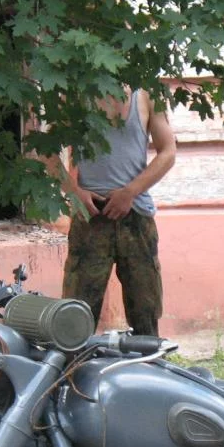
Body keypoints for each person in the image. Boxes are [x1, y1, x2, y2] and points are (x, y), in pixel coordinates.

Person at [62, 87, 176, 336]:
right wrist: (74, 191)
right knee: (76, 315)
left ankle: (147, 360)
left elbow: (168, 151)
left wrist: (130, 192)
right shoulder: (76, 90)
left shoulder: (147, 93)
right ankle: (75, 362)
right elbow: (45, 150)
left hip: (135, 214)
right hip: (91, 214)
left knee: (146, 311)